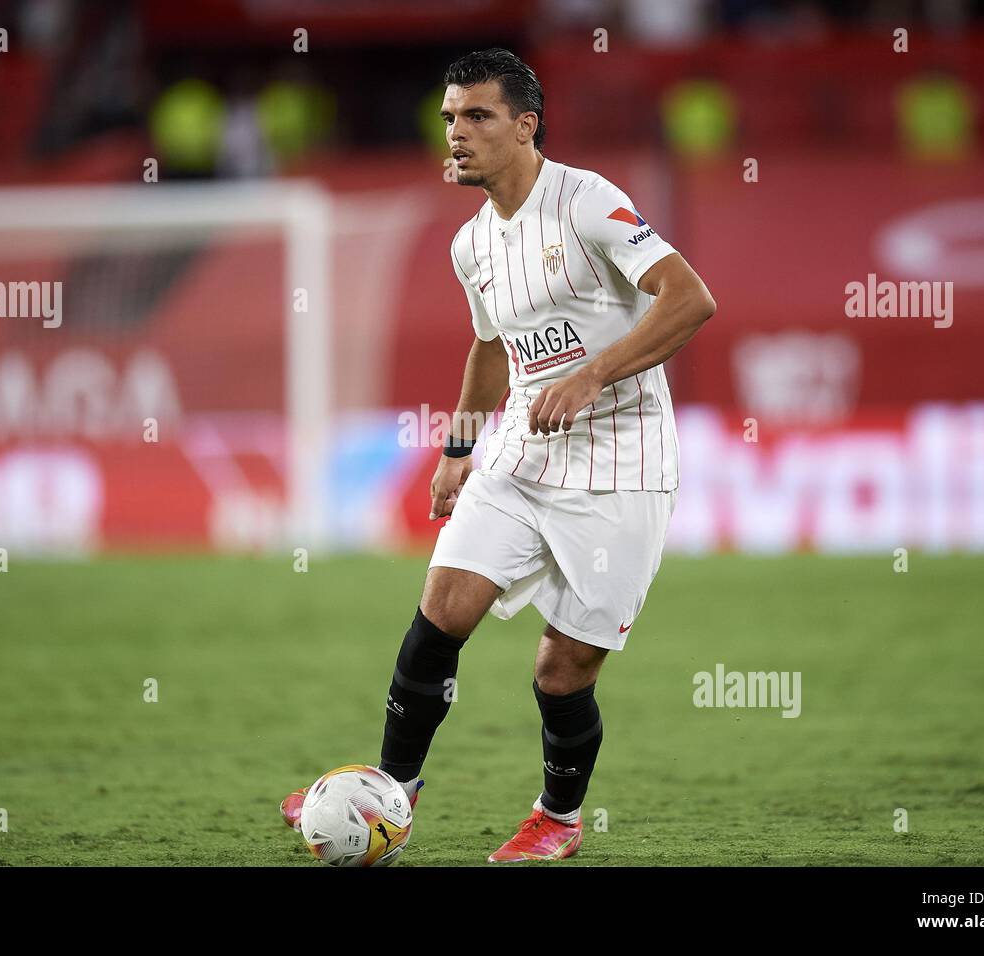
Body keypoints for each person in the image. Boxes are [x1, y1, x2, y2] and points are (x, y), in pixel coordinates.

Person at [282, 47, 715, 862]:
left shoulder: (591, 204)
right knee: (442, 606)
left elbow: (690, 298)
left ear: (526, 125)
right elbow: (492, 347)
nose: (457, 133)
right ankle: (391, 791)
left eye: (477, 116)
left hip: (621, 464)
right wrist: (457, 449)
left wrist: (591, 375)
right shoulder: (472, 243)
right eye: (449, 117)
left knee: (563, 668)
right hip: (521, 449)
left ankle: (558, 818)